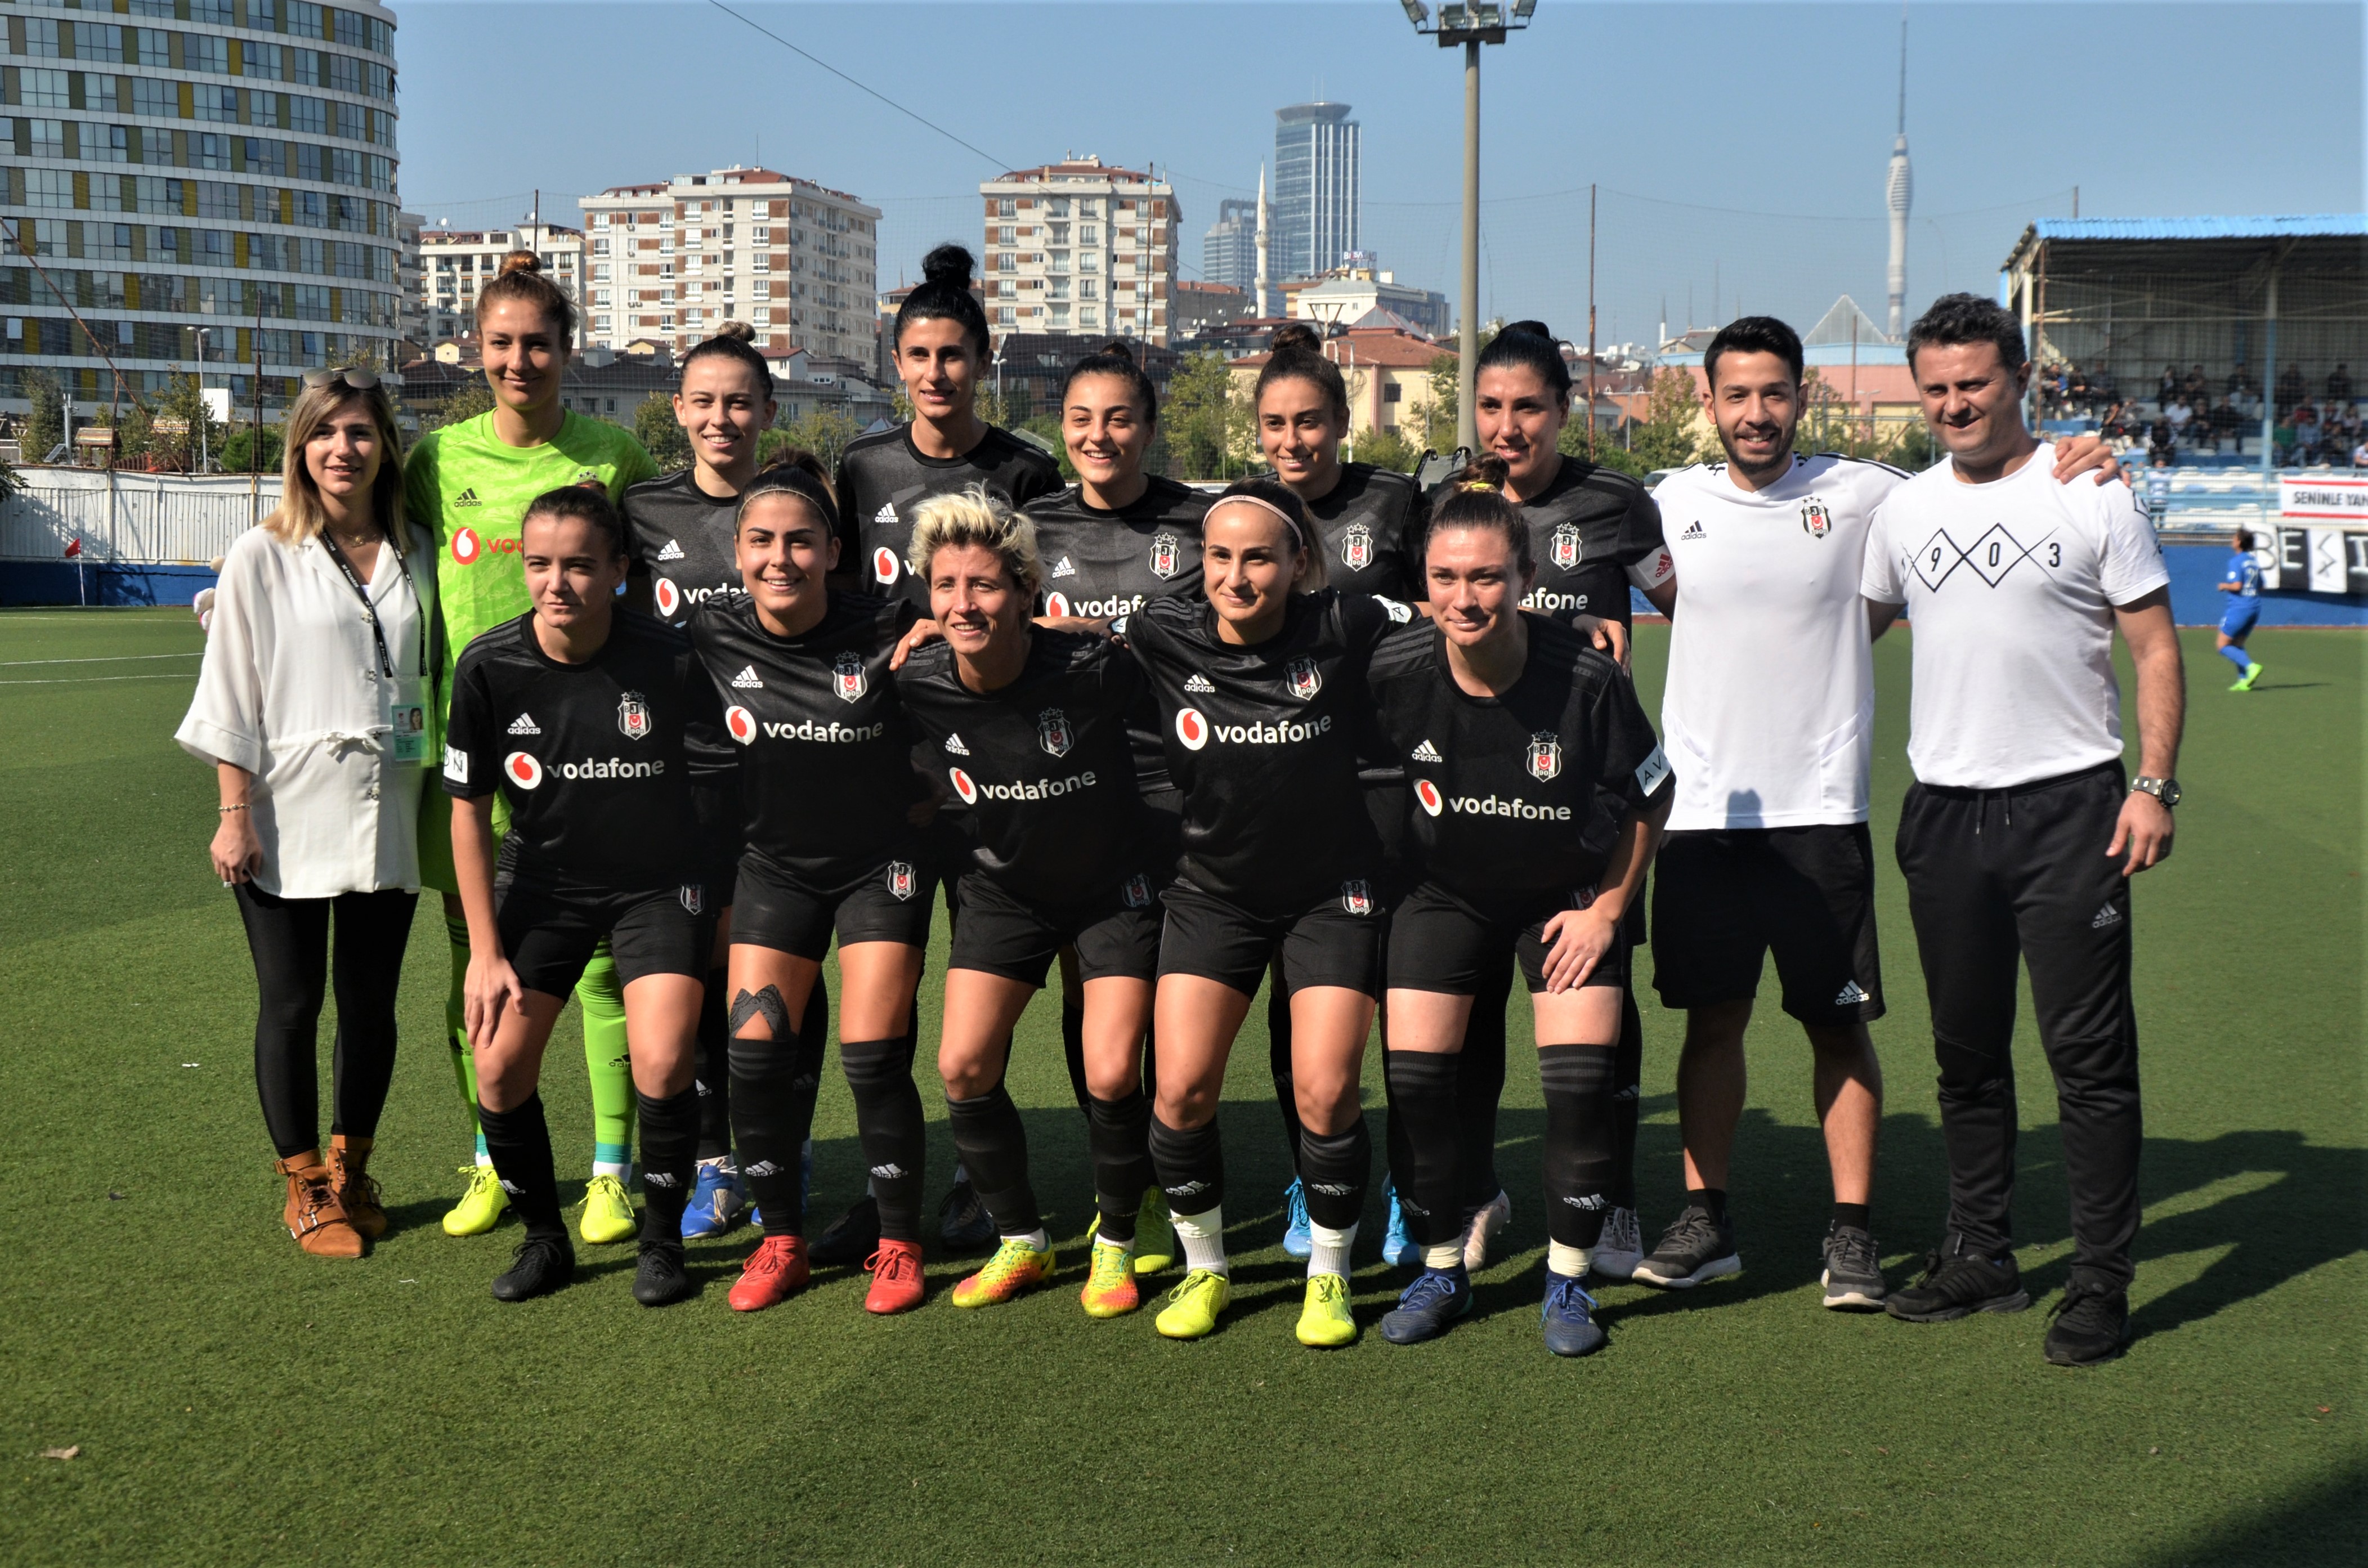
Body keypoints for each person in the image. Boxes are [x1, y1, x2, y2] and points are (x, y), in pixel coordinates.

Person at [1637, 315, 2121, 1309]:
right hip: (1697, 814)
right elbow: (1569, 539)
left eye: (1774, 393)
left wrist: (2084, 454)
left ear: (1801, 397)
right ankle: (1705, 1219)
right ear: (1708, 403)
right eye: (1736, 394)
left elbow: (1980, 485)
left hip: (1819, 811)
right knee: (1711, 1022)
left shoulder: (1867, 494)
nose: (1756, 413)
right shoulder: (1663, 502)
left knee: (1834, 1027)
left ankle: (1851, 1233)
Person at [1864, 292, 2183, 1368]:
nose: (1957, 403)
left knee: (2087, 1061)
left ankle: (2099, 1281)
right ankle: (1981, 1251)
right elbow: (1836, 624)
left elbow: (2152, 650)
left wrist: (2154, 785)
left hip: (2069, 812)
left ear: (2017, 381)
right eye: (1938, 387)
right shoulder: (1902, 511)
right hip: (1942, 814)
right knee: (1964, 1057)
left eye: (1975, 382)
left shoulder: (2089, 492)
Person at [1364, 461, 1675, 1355]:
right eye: (1446, 577)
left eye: (1487, 576)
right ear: (1423, 583)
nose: (1466, 597)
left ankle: (1568, 1279)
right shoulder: (1392, 668)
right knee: (1418, 1085)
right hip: (1445, 892)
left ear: (1525, 581)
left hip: (1564, 897)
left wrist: (1607, 910)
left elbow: (1651, 794)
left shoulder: (1582, 673)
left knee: (1577, 1085)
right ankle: (1440, 1266)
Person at [406, 252, 660, 1246]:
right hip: (470, 756)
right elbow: (359, 531)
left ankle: (609, 1170)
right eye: (503, 343)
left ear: (567, 350)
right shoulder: (437, 460)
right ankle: (491, 1159)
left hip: (588, 752)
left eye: (538, 343)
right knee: (475, 959)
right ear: (479, 351)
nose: (521, 360)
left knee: (596, 966)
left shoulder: (612, 455)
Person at [1125, 478, 1412, 1345]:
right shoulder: (1158, 629)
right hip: (1215, 892)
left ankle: (1327, 1275)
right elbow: (1065, 647)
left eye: (1258, 557)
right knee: (1178, 1090)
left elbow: (1452, 622)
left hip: (1333, 894)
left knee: (1324, 1092)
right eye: (1220, 557)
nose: (1236, 576)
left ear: (1299, 563)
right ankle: (1204, 1267)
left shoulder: (1346, 624)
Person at [828, 242, 1062, 1257]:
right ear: (895, 362)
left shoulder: (1025, 471)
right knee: (880, 989)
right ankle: (885, 1187)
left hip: (988, 764)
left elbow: (1045, 616)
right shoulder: (861, 466)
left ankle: (975, 1178)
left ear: (982, 359)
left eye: (953, 354)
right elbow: (839, 610)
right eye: (917, 354)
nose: (935, 372)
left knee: (976, 973)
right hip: (882, 764)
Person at [442, 487, 721, 1305]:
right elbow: (467, 813)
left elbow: (713, 793)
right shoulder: (489, 666)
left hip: (657, 886)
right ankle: (545, 1240)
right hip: (543, 884)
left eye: (577, 564)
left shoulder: (668, 658)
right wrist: (485, 954)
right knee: (496, 1068)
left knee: (664, 1059)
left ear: (620, 571)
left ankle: (662, 1242)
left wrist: (713, 898)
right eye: (538, 563)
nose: (555, 582)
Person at [895, 487, 1169, 1316]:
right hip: (1004, 889)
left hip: (1110, 889)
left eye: (981, 585)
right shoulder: (917, 680)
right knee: (962, 1065)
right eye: (945, 586)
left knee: (1113, 1067)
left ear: (1024, 592)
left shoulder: (1091, 666)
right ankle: (1022, 1241)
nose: (961, 604)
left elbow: (1171, 726)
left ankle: (1117, 1241)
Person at [178, 370, 432, 1258]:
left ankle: (352, 1167)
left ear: (384, 447)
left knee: (372, 1006)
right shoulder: (262, 551)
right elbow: (231, 691)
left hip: (387, 805)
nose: (342, 450)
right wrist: (232, 811)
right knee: (292, 1003)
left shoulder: (417, 548)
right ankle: (303, 1185)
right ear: (299, 448)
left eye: (359, 433)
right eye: (324, 433)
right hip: (283, 811)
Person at [1450, 320, 1678, 1280]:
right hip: (1467, 805)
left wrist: (1607, 620)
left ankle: (1613, 1203)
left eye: (1528, 407)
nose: (1509, 427)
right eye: (1492, 406)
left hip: (1584, 814)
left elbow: (1695, 601)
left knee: (1596, 1020)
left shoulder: (1619, 503)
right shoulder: (1444, 498)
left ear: (1564, 408)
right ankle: (1472, 1193)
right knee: (1464, 1021)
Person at [688, 466, 939, 1315]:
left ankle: (898, 1244)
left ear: (836, 551)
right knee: (753, 1055)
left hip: (882, 868)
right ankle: (781, 1238)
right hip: (775, 869)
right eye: (761, 541)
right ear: (737, 551)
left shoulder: (891, 623)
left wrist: (938, 632)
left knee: (871, 1054)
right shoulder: (709, 634)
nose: (780, 557)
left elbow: (981, 641)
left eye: (800, 540)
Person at [1251, 321, 1463, 1266]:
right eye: (1273, 426)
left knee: (1396, 997)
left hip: (1389, 783)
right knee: (1297, 1006)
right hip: (1284, 789)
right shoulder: (1244, 513)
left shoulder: (1390, 499)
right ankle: (1313, 1173)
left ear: (1341, 422)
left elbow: (1441, 610)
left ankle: (1413, 1187)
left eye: (1307, 423)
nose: (1291, 442)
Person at [621, 322, 829, 1242]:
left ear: (767, 411)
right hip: (677, 787)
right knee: (701, 974)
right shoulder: (639, 514)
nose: (721, 418)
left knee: (789, 971)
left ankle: (785, 1146)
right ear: (677, 412)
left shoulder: (802, 508)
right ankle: (714, 1161)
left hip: (789, 781)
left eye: (739, 401)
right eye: (703, 401)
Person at [1019, 338, 1206, 1275]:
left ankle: (1186, 1179)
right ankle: (1118, 1192)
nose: (1101, 436)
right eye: (1083, 419)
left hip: (1184, 793)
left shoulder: (1197, 521)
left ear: (1149, 424)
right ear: (1063, 426)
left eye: (1120, 417)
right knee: (1087, 997)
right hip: (1078, 796)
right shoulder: (1032, 525)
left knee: (1174, 996)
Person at [2214, 528, 2267, 691]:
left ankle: (2251, 667)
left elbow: (2237, 586)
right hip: (2254, 607)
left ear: (2239, 542)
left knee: (2222, 645)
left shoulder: (2235, 562)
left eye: (2234, 537)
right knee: (2237, 643)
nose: (2232, 540)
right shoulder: (2253, 561)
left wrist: (2224, 586)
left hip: (2240, 608)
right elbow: (2262, 586)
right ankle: (2243, 681)